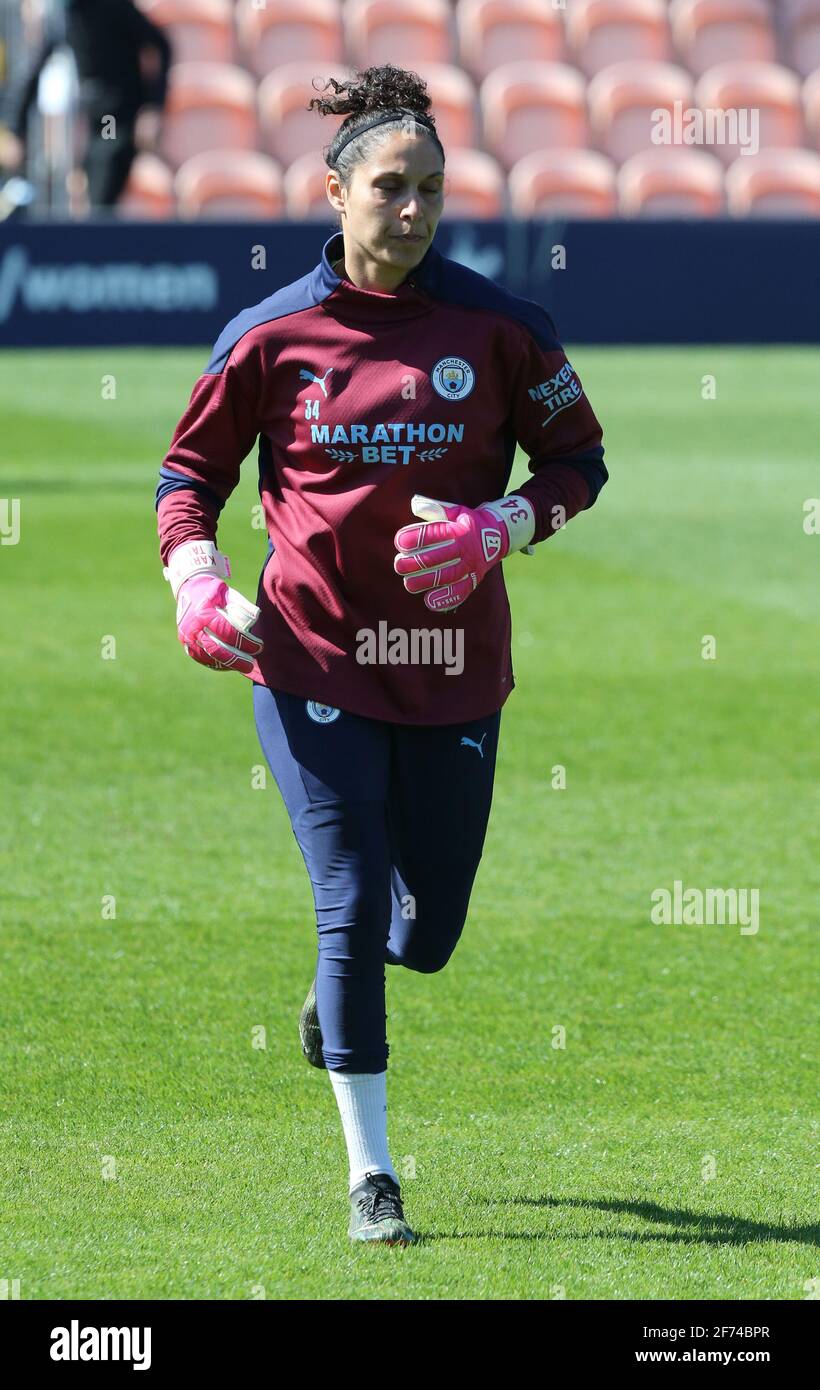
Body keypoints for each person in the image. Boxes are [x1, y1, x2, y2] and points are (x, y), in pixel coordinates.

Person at [155, 64, 607, 1246]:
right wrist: (194, 581)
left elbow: (578, 464)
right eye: (390, 189)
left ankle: (341, 995)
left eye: (432, 191)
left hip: (453, 668)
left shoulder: (504, 328)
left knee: (429, 928)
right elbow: (187, 477)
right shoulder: (271, 335)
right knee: (349, 898)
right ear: (336, 191)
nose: (413, 212)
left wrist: (500, 524)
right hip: (310, 656)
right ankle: (372, 1177)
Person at [1, 0, 171, 211]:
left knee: (106, 162)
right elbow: (35, 70)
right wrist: (15, 129)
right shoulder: (65, 14)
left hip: (113, 116)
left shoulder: (114, 7)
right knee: (90, 184)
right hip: (91, 115)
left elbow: (160, 44)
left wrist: (153, 106)